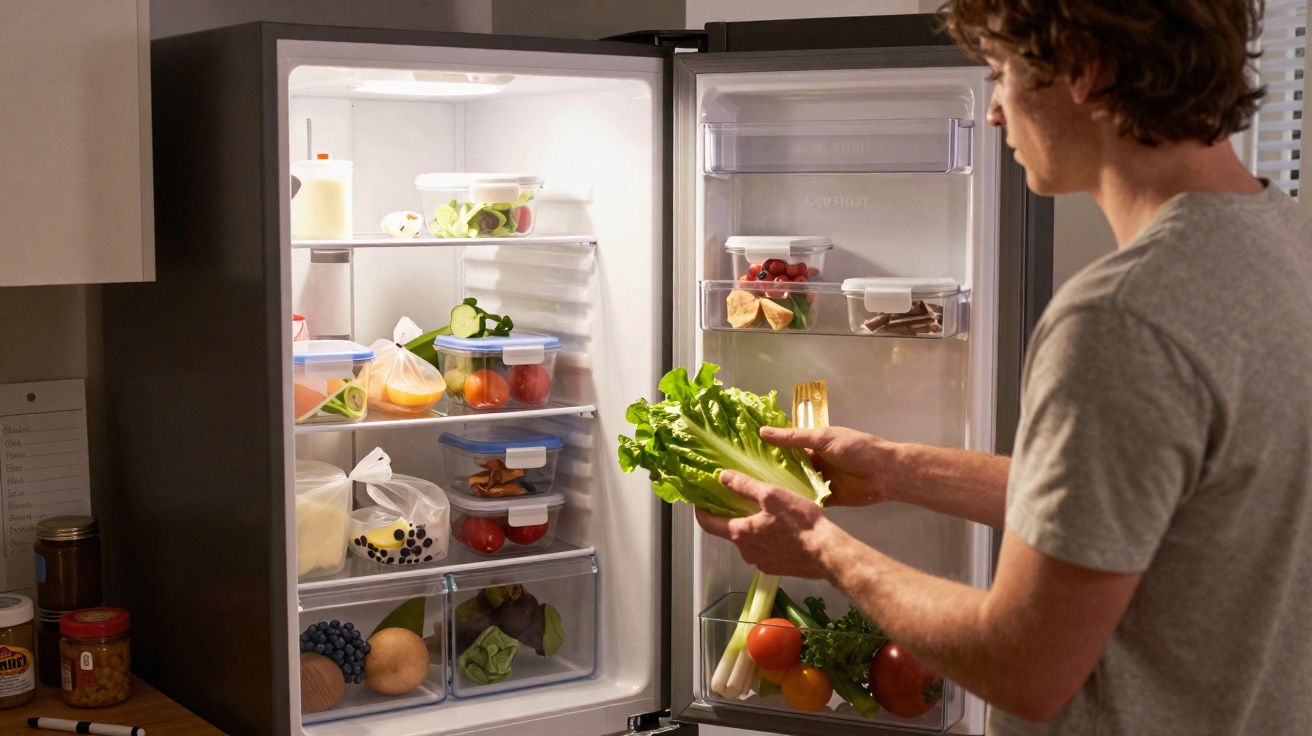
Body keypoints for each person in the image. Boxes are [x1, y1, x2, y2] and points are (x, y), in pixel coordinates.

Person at [696, 1, 1312, 733]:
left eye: (1000, 75)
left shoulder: (1119, 317)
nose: (993, 113)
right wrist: (896, 468)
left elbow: (1023, 666)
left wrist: (824, 549)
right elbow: (1137, 507)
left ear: (1083, 68)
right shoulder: (1288, 239)